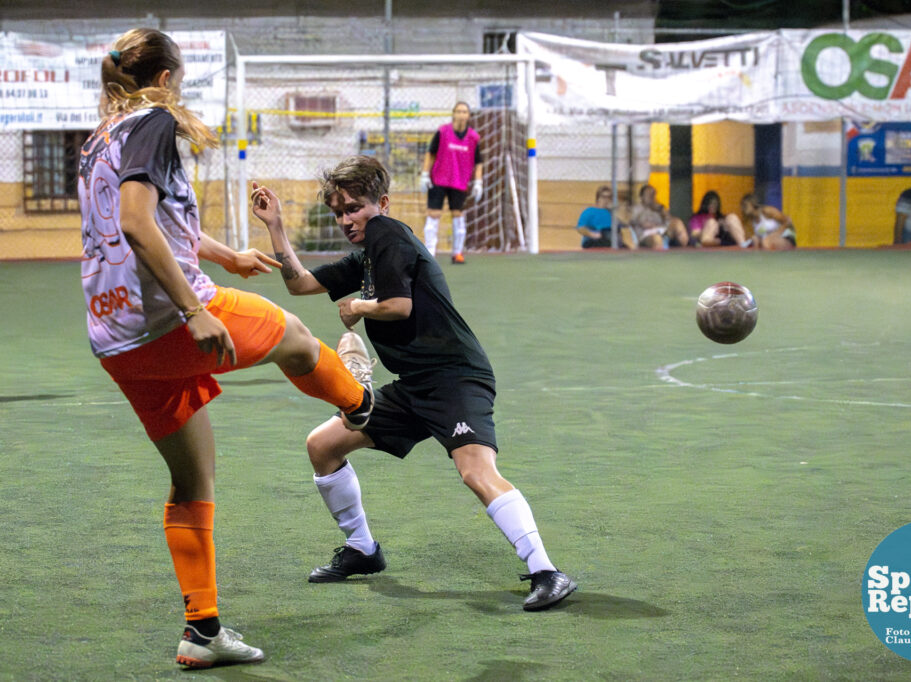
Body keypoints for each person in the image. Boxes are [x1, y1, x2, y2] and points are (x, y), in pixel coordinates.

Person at [78, 28, 373, 670]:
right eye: (179, 83)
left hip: (115, 338)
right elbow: (134, 221)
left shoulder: (100, 138)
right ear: (164, 79)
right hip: (168, 316)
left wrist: (227, 253)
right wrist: (192, 308)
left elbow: (160, 218)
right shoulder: (154, 119)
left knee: (192, 478)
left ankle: (202, 630)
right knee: (296, 337)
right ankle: (361, 403)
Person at [250, 155, 577, 612]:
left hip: (454, 377)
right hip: (412, 385)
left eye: (354, 208)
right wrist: (276, 226)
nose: (346, 219)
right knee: (323, 445)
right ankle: (363, 549)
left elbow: (399, 305)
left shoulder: (389, 234)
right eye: (338, 212)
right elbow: (300, 284)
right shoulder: (367, 254)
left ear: (380, 203)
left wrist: (359, 308)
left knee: (476, 472)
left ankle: (547, 571)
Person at [420, 101, 483, 264]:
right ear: (454, 114)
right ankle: (429, 253)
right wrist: (425, 174)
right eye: (459, 111)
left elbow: (478, 162)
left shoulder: (473, 138)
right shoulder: (442, 132)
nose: (462, 115)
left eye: (465, 112)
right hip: (439, 179)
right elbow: (430, 153)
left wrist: (478, 182)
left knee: (458, 215)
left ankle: (457, 253)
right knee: (433, 215)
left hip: (459, 181)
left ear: (468, 116)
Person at [629, 184, 689, 248]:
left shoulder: (659, 207)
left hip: (662, 231)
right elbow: (631, 222)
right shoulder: (636, 209)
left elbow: (669, 220)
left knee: (678, 223)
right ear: (641, 196)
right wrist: (642, 220)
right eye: (648, 194)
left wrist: (661, 210)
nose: (651, 196)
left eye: (653, 194)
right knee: (656, 238)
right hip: (645, 234)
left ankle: (684, 251)